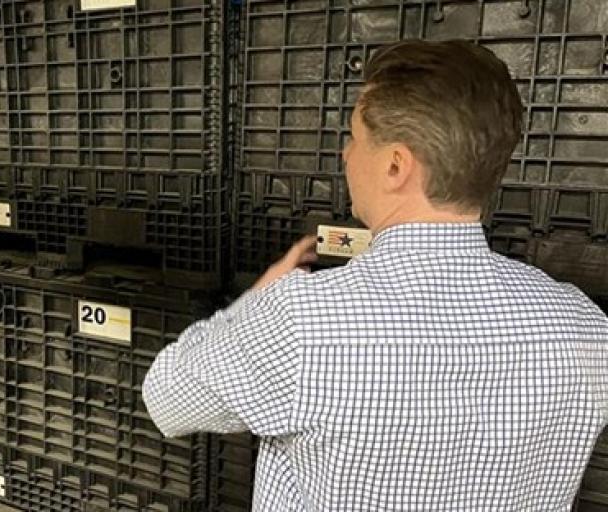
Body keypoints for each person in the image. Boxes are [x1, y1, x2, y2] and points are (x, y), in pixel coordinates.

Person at [143, 39, 608, 511]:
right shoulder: (586, 328)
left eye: (354, 138)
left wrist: (259, 297)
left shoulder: (301, 321)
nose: (345, 155)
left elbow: (166, 397)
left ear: (394, 166)